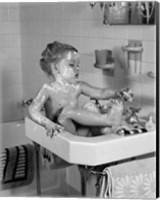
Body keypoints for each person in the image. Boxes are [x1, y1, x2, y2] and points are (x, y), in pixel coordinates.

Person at [29, 41, 133, 138]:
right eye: (71, 65)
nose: (77, 68)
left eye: (78, 65)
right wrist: (48, 124)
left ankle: (109, 128)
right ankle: (108, 120)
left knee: (90, 106)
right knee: (67, 111)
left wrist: (118, 93)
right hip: (62, 133)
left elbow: (100, 93)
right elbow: (33, 110)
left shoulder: (78, 86)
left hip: (79, 133)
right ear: (55, 68)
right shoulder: (48, 89)